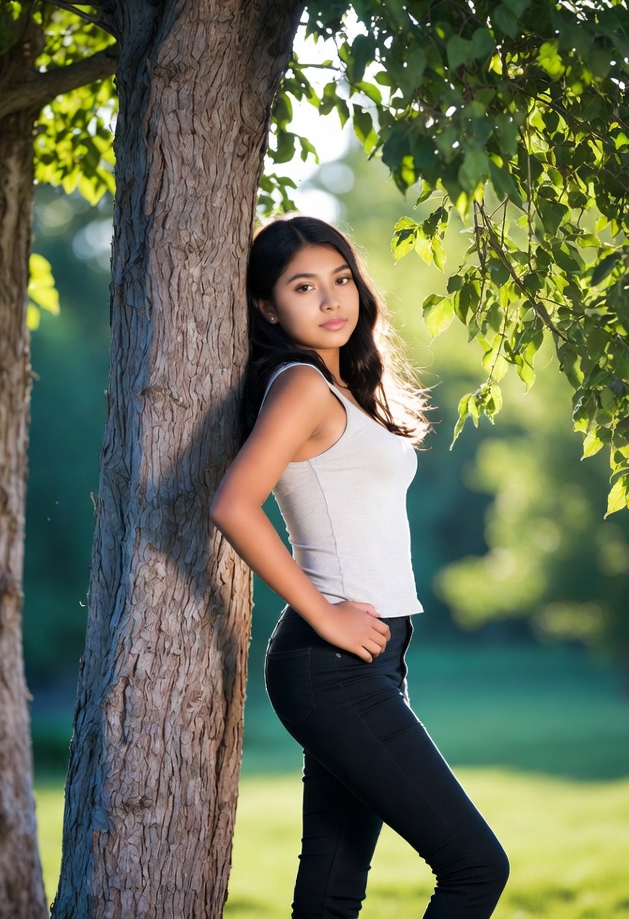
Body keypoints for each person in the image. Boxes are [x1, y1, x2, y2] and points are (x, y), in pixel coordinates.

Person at [210, 216, 509, 918]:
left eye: (340, 279)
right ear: (267, 308)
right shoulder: (300, 386)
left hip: (367, 659)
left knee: (333, 887)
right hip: (332, 663)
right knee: (475, 867)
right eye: (303, 287)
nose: (330, 299)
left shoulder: (341, 389)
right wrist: (325, 615)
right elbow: (234, 505)